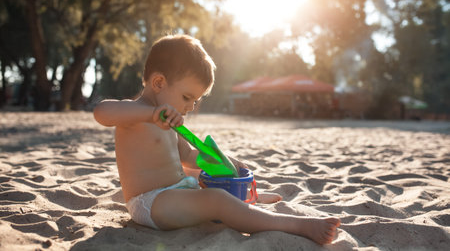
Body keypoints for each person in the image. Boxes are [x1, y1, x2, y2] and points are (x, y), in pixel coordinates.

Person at [93, 34, 340, 245]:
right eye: (187, 97)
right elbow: (102, 112)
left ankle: (246, 199)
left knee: (209, 178)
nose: (190, 107)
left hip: (176, 191)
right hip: (150, 203)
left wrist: (229, 163)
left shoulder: (168, 122)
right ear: (158, 82)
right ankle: (295, 226)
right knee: (216, 199)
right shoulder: (134, 114)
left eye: (196, 101)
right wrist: (151, 114)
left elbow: (189, 156)